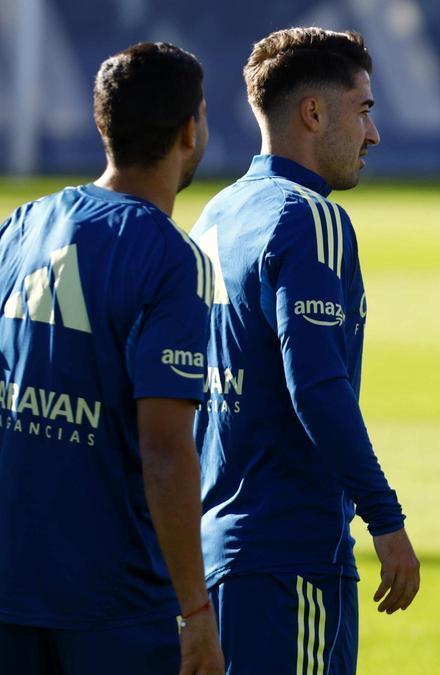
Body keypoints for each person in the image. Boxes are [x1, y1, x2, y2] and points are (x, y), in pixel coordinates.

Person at [190, 27, 418, 674]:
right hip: (290, 556)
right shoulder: (309, 217)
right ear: (314, 113)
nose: (373, 134)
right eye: (364, 109)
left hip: (216, 557)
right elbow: (317, 386)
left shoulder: (218, 214)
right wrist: (385, 516)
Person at [0, 43, 223, 674]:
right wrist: (197, 615)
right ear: (189, 129)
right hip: (114, 610)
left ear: (105, 126)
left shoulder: (23, 223)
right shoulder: (171, 261)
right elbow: (166, 449)